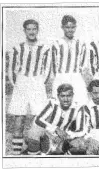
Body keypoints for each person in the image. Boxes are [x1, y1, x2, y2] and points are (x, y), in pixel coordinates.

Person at [6, 19, 51, 155]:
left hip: (37, 83)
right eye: (29, 29)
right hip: (21, 83)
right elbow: (12, 70)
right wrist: (19, 84)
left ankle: (41, 150)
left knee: (40, 119)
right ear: (24, 31)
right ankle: (16, 154)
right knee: (19, 120)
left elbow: (48, 70)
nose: (32, 32)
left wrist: (39, 83)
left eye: (34, 29)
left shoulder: (44, 48)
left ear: (37, 30)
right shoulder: (17, 48)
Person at [25, 84, 85, 155]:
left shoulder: (78, 108)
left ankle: (53, 152)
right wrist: (55, 129)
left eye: (68, 96)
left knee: (80, 145)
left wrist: (66, 135)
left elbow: (81, 130)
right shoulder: (53, 104)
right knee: (34, 132)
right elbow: (38, 119)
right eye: (62, 96)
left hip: (63, 138)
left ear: (72, 96)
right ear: (58, 96)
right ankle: (35, 159)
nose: (66, 99)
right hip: (48, 135)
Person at [51, 15, 89, 105]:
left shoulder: (80, 43)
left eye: (72, 27)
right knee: (60, 105)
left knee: (80, 103)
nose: (70, 30)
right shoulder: (56, 44)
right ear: (62, 27)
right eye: (67, 27)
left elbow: (82, 63)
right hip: (61, 76)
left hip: (76, 76)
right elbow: (53, 64)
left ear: (75, 28)